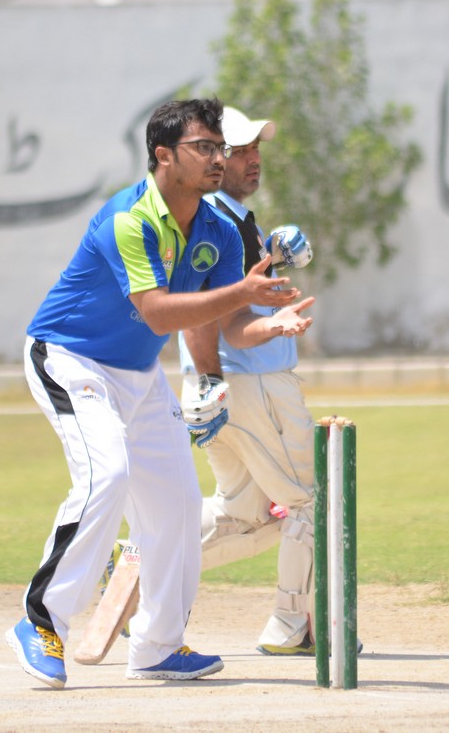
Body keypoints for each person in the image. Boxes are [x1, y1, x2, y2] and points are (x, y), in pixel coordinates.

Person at [6, 98, 315, 690]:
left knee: (176, 504)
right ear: (163, 155)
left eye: (220, 148)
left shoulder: (218, 231)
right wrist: (242, 294)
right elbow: (157, 312)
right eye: (204, 148)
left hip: (139, 373)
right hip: (70, 357)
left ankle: (157, 646)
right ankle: (41, 621)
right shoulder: (130, 218)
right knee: (108, 475)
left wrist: (268, 325)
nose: (218, 159)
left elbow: (227, 325)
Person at [178, 106, 346, 657]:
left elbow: (223, 300)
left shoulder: (220, 219)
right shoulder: (222, 224)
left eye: (256, 150)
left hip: (219, 384)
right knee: (311, 502)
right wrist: (276, 322)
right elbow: (228, 321)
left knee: (243, 513)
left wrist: (271, 256)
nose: (253, 160)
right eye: (240, 150)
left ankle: (147, 563)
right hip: (252, 383)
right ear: (213, 157)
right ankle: (292, 624)